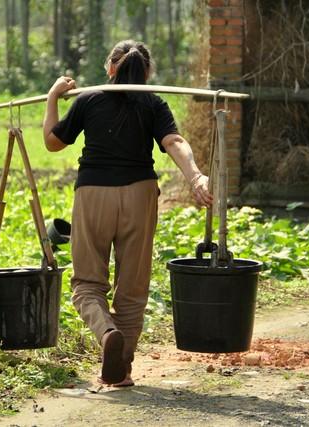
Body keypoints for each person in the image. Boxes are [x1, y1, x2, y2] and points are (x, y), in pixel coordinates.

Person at [42, 40, 212, 387]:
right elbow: (174, 143)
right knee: (132, 289)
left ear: (110, 68)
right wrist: (195, 176)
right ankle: (122, 366)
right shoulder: (153, 103)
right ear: (147, 73)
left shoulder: (89, 99)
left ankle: (107, 335)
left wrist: (52, 98)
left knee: (87, 285)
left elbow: (52, 142)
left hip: (94, 195)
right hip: (139, 196)